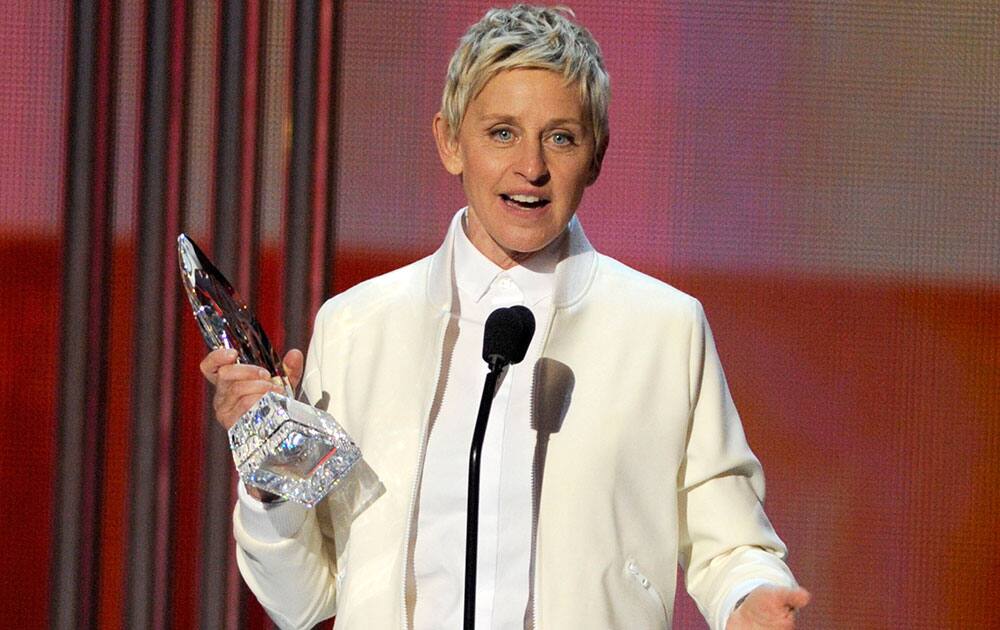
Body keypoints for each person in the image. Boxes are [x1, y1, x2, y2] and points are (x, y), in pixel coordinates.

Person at [201, 5, 810, 629]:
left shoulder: (662, 330)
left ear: (596, 156)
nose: (532, 167)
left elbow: (732, 540)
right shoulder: (358, 327)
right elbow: (300, 602)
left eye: (561, 137)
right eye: (502, 132)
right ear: (449, 141)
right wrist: (269, 466)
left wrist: (749, 598)